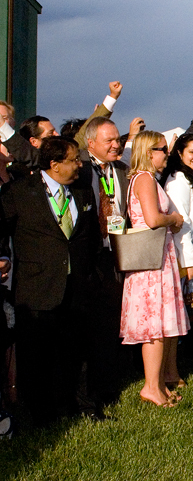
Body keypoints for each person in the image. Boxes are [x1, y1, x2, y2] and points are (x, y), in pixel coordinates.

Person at [0, 137, 104, 424]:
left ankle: (82, 405)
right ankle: (42, 415)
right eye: (74, 160)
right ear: (55, 165)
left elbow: (91, 236)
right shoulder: (20, 192)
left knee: (76, 351)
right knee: (38, 355)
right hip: (38, 287)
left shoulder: (83, 193)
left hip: (77, 287)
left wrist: (90, 273)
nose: (79, 165)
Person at [120, 131, 188, 408]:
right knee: (154, 326)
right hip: (151, 263)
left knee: (159, 325)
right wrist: (173, 218)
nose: (166, 154)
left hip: (159, 257)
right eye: (162, 149)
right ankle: (151, 387)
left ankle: (158, 383)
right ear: (149, 152)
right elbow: (151, 218)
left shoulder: (146, 178)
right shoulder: (145, 178)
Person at [74, 117, 130, 406]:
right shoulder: (80, 169)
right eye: (109, 140)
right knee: (88, 327)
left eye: (118, 139)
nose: (116, 144)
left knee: (110, 323)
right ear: (91, 142)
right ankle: (87, 391)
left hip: (116, 252)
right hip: (87, 256)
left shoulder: (122, 169)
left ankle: (107, 387)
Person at [162, 134, 193, 310]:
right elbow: (181, 223)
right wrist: (189, 263)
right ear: (180, 153)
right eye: (191, 152)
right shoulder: (178, 180)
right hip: (185, 260)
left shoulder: (192, 178)